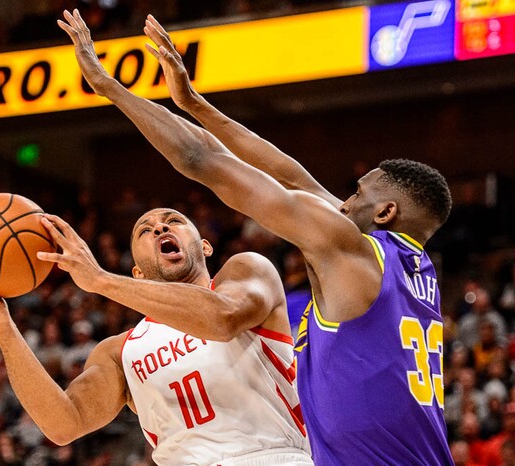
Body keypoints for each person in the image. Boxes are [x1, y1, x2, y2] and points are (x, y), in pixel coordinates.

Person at [58, 8, 454, 464]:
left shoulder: (349, 249)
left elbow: (198, 159)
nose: (342, 203)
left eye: (356, 194)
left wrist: (109, 87)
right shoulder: (406, 265)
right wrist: (193, 103)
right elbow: (290, 176)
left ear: (386, 211)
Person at [0, 207, 312, 465]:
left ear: (204, 246)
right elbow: (63, 425)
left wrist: (100, 280)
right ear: (137, 271)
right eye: (145, 229)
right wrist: (0, 325)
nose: (160, 228)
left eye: (174, 221)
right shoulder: (120, 351)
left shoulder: (246, 271)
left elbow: (223, 318)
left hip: (273, 455)